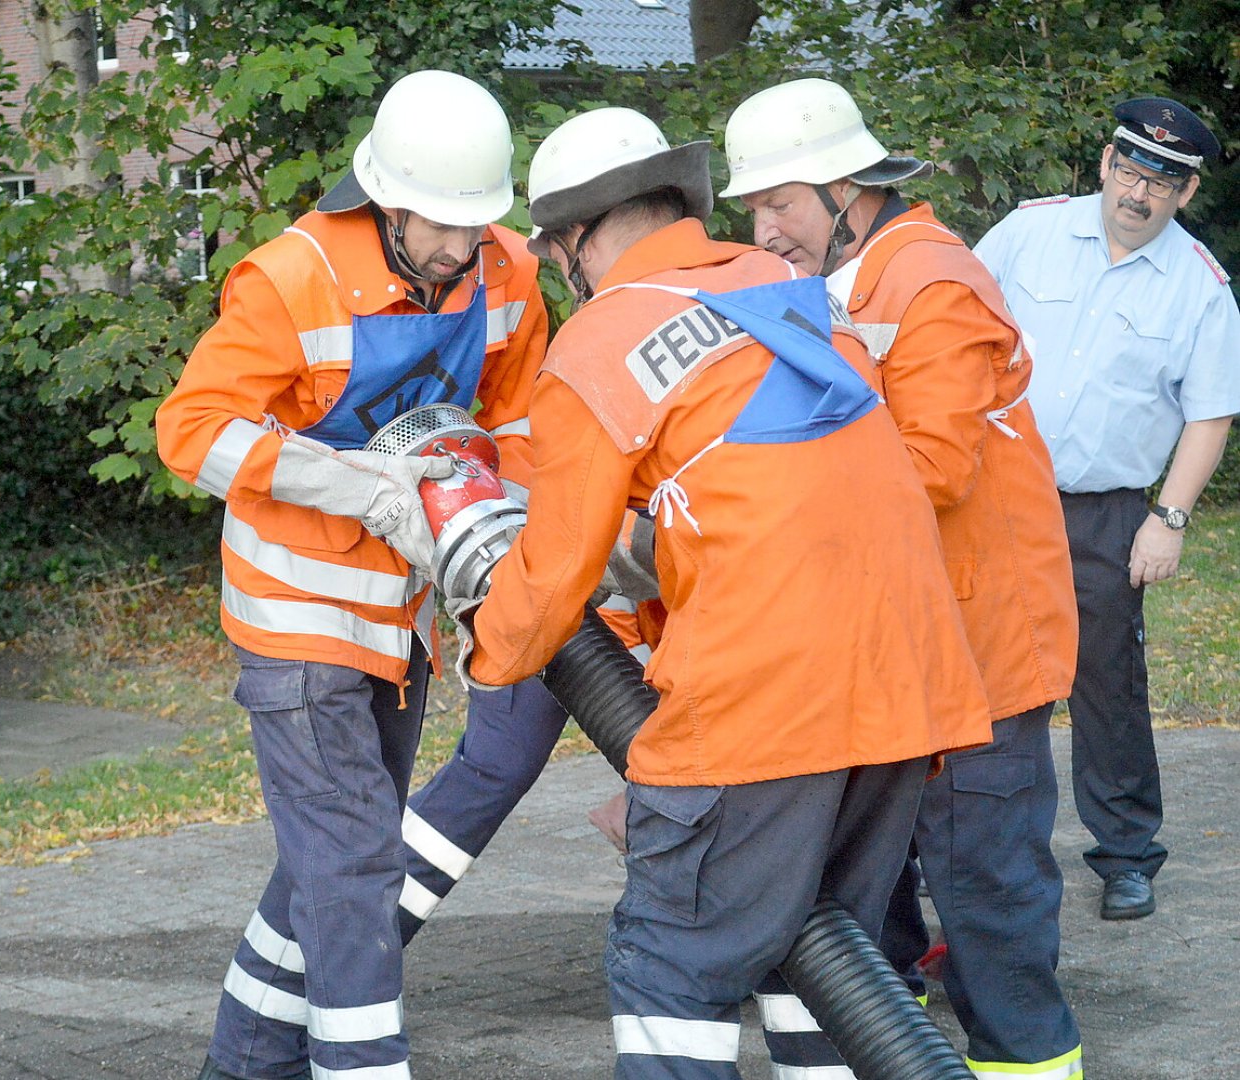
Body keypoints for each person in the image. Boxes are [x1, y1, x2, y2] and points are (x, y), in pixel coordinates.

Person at [453, 105, 991, 1079]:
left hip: (765, 697)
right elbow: (792, 483)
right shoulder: (791, 289)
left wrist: (482, 642)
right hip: (908, 683)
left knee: (672, 965)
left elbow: (547, 585)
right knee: (827, 963)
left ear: (574, 238)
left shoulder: (597, 340)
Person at [155, 69, 551, 1080]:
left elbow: (519, 427)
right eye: (445, 229)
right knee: (355, 865)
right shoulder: (289, 278)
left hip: (406, 622)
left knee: (326, 860)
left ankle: (244, 1066)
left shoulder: (503, 272)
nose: (465, 251)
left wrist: (492, 550)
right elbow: (190, 432)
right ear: (388, 201)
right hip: (297, 618)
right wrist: (356, 485)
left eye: (480, 225)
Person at [719, 77, 1084, 1078]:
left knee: (988, 897)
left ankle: (1030, 1061)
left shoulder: (931, 283)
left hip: (981, 657)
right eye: (753, 207)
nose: (764, 227)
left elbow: (929, 470)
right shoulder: (834, 285)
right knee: (874, 897)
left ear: (847, 187)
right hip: (899, 650)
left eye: (780, 202)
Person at [975, 96, 1240, 923]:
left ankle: (1124, 853)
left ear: (1185, 194)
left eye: (1162, 182)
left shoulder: (1200, 290)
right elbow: (951, 322)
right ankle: (944, 838)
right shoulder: (1027, 232)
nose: (1139, 192)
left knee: (1106, 686)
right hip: (990, 495)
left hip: (1104, 514)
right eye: (1129, 170)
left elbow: (1209, 412)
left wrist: (1167, 518)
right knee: (967, 667)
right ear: (1103, 164)